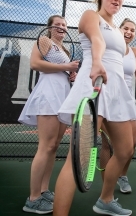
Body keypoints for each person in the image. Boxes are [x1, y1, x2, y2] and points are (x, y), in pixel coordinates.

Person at [53, 0, 136, 216]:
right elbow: (97, 40)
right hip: (93, 85)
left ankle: (105, 200)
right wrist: (98, 62)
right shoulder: (91, 16)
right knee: (78, 157)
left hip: (117, 91)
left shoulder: (119, 33)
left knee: (125, 150)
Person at [18, 15, 79, 214]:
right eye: (57, 24)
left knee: (53, 146)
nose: (61, 27)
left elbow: (62, 70)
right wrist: (65, 67)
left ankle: (44, 190)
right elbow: (35, 64)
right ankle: (33, 198)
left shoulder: (65, 50)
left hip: (62, 96)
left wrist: (71, 73)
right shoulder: (44, 41)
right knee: (46, 146)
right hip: (47, 95)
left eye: (64, 25)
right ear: (50, 28)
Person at [100, 17, 136, 194]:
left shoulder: (135, 52)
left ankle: (122, 176)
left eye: (132, 30)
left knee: (132, 144)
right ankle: (106, 185)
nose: (129, 32)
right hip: (108, 98)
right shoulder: (110, 46)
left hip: (127, 101)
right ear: (119, 30)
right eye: (126, 28)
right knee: (108, 145)